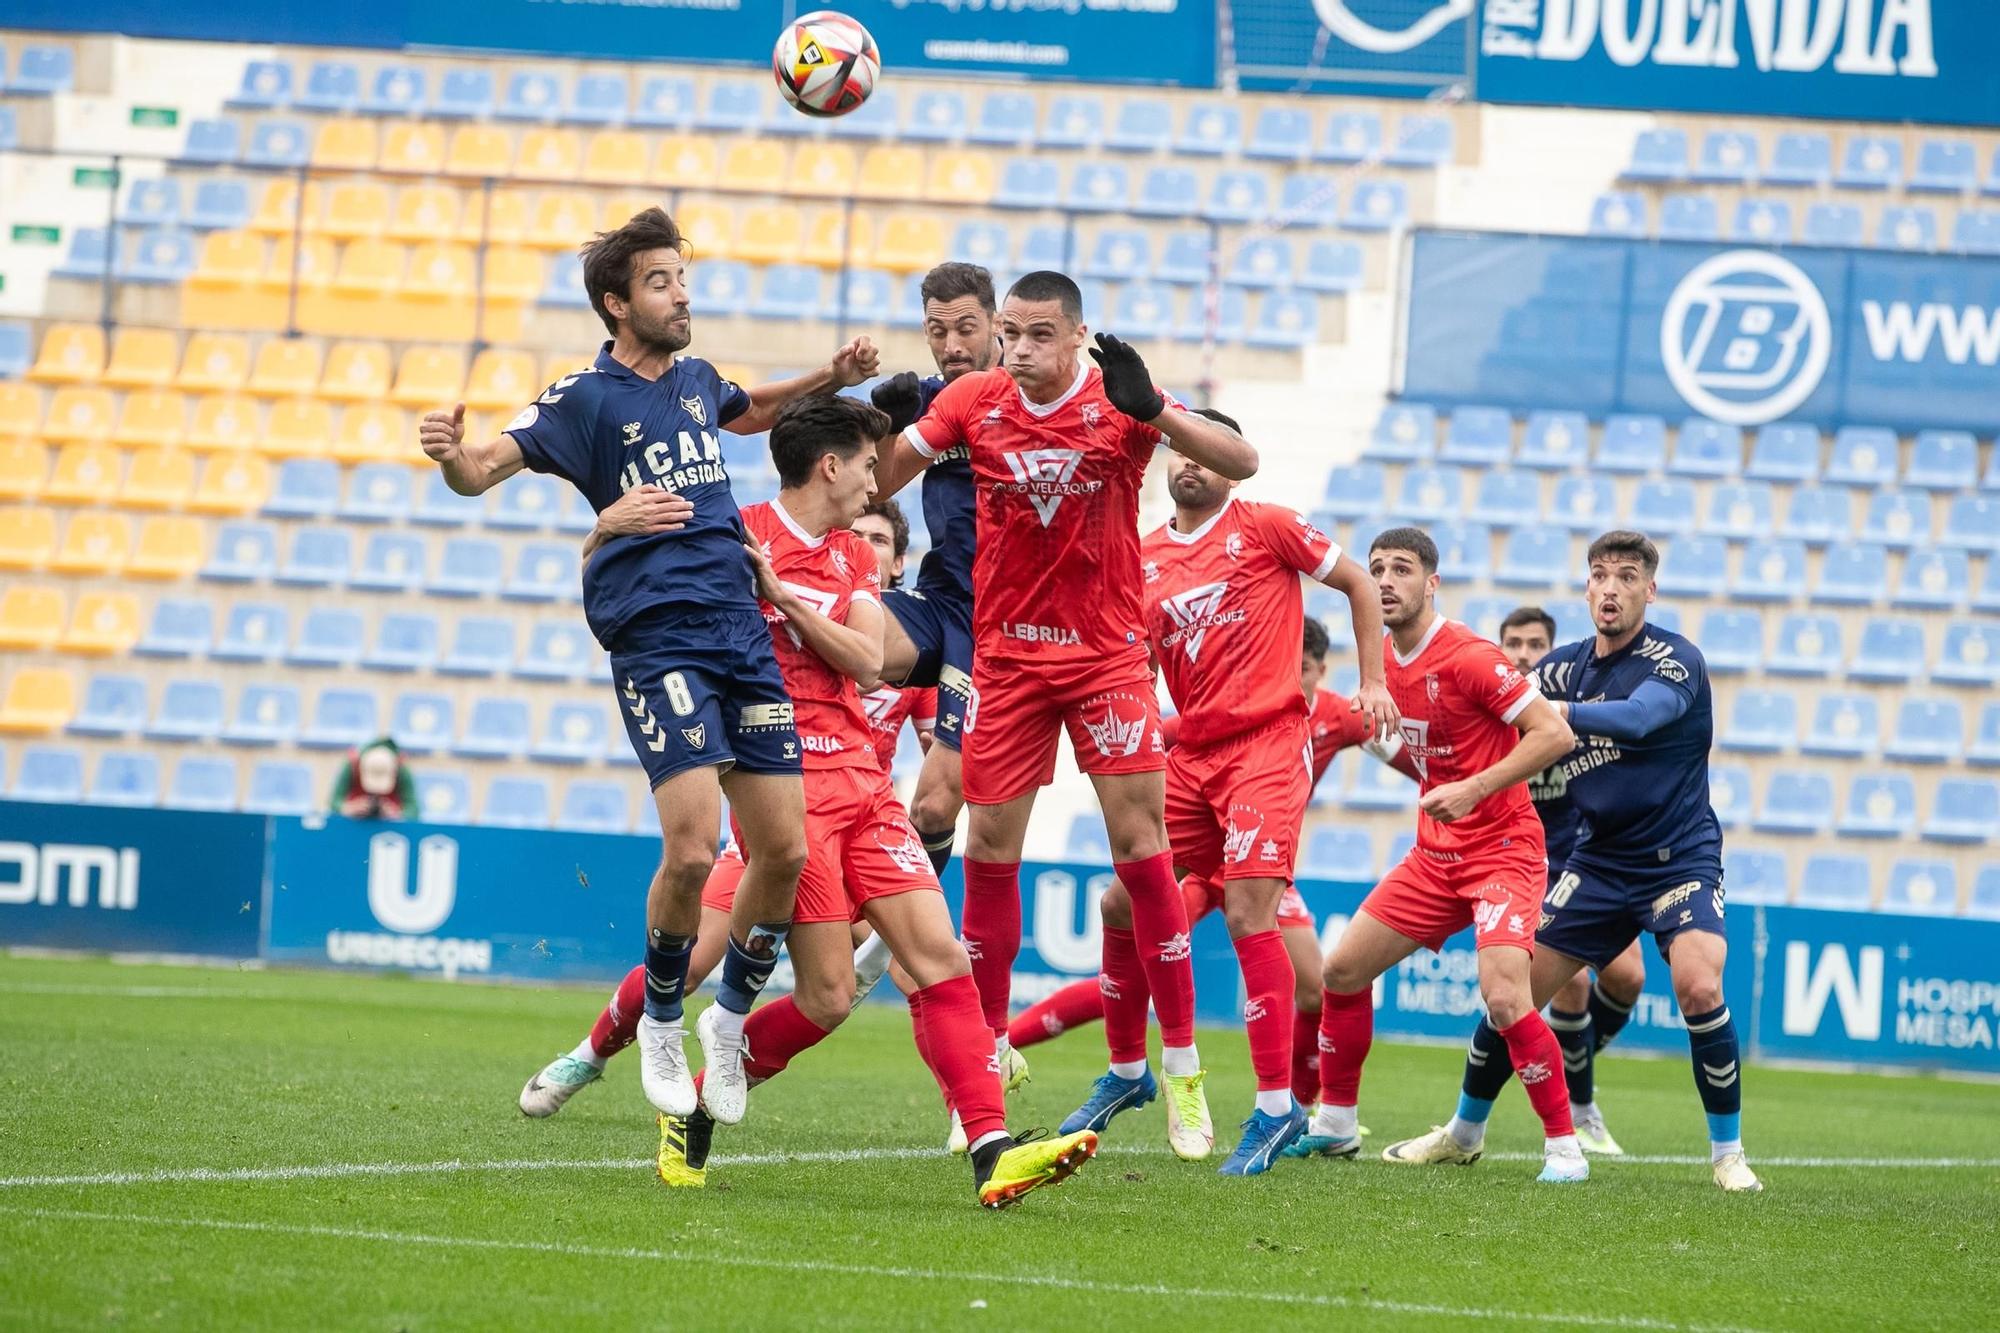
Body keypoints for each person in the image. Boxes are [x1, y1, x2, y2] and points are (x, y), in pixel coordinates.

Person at [538, 397, 1099, 1208]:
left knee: (937, 961)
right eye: (869, 463)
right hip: (785, 791)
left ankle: (992, 1152)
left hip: (867, 792)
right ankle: (646, 1077)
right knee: (818, 991)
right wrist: (604, 530)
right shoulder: (733, 530)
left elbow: (868, 661)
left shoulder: (852, 558)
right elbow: (632, 575)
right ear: (830, 464)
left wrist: (787, 601)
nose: (880, 477)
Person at [420, 206, 878, 1133]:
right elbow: (483, 470)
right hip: (659, 635)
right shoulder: (583, 398)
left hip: (740, 630)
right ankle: (660, 1021)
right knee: (694, 847)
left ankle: (728, 1017)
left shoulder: (701, 381)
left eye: (683, 277)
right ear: (615, 302)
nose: (681, 294)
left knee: (782, 850)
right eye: (662, 281)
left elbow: (758, 412)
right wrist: (452, 456)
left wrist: (830, 375)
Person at [874, 269, 1260, 1161]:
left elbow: (1243, 464)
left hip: (1106, 658)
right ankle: (991, 1053)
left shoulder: (1119, 400)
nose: (1018, 350)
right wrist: (894, 425)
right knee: (989, 851)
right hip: (1007, 661)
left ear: (1078, 336)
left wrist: (1158, 410)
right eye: (1009, 333)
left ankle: (1185, 1066)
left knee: (1140, 851)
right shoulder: (976, 398)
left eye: (1038, 334)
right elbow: (882, 479)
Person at [1042, 420, 1397, 1176]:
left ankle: (1275, 1107)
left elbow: (1358, 582)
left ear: (1231, 470)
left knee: (1246, 910)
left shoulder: (1266, 527)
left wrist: (1373, 681)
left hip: (1266, 743)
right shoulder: (1142, 559)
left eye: (1209, 455)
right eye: (1182, 453)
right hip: (1188, 752)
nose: (1192, 464)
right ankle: (1129, 1071)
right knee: (1121, 905)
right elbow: (1129, 661)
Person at [518, 500, 928, 1123]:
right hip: (778, 807)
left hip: (853, 818)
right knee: (689, 965)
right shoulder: (784, 615)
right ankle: (591, 1053)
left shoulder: (909, 661)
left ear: (896, 564)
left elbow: (941, 754)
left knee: (881, 971)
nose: (861, 542)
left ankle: (966, 1108)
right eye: (858, 532)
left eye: (878, 540)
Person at [1387, 534, 1759, 1192]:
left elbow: (1643, 718)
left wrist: (1551, 715)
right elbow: (1487, 720)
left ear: (1650, 589)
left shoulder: (1675, 660)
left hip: (1680, 858)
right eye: (1599, 575)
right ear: (1585, 589)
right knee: (1513, 994)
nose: (1611, 587)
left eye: (1626, 576)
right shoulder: (1559, 667)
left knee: (1699, 984)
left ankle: (1727, 1153)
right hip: (1600, 859)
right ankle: (1463, 1131)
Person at [1006, 617, 1414, 1121]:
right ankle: (1004, 1047)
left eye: (1304, 668)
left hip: (1261, 868)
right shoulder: (1236, 709)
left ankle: (1306, 1109)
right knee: (1137, 954)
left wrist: (1447, 778)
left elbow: (1408, 751)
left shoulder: (1335, 716)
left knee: (1314, 987)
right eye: (1286, 663)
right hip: (1203, 865)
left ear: (1321, 670)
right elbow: (1160, 733)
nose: (1294, 676)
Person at [1280, 527, 1585, 1184]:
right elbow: (1397, 743)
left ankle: (1565, 1146)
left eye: (1403, 569)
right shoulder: (1380, 661)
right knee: (1341, 970)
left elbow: (1554, 733)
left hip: (1504, 849)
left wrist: (1473, 787)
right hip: (1434, 856)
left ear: (1431, 582)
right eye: (1378, 569)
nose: (1386, 581)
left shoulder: (1471, 655)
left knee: (1505, 998)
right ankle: (1334, 1123)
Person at [866, 262, 999, 884]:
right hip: (941, 600)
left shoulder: (1034, 393)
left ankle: (878, 958)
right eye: (936, 330)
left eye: (966, 329)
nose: (951, 346)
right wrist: (885, 427)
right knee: (824, 622)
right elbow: (859, 488)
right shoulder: (926, 397)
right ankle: (823, 788)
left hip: (1001, 622)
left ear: (998, 323)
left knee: (934, 804)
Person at [1498, 605, 1645, 1156]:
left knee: (1628, 978)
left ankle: (1565, 1062)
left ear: (1552, 652)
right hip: (1517, 861)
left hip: (1582, 858)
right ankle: (1581, 1109)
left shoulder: (1575, 711)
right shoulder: (1492, 712)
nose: (1523, 653)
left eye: (1535, 644)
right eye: (1513, 642)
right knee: (1573, 983)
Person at [327, 738, 419, 821]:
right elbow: (334, 802)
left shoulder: (402, 769)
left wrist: (397, 814)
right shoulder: (351, 765)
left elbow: (414, 810)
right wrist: (348, 808)